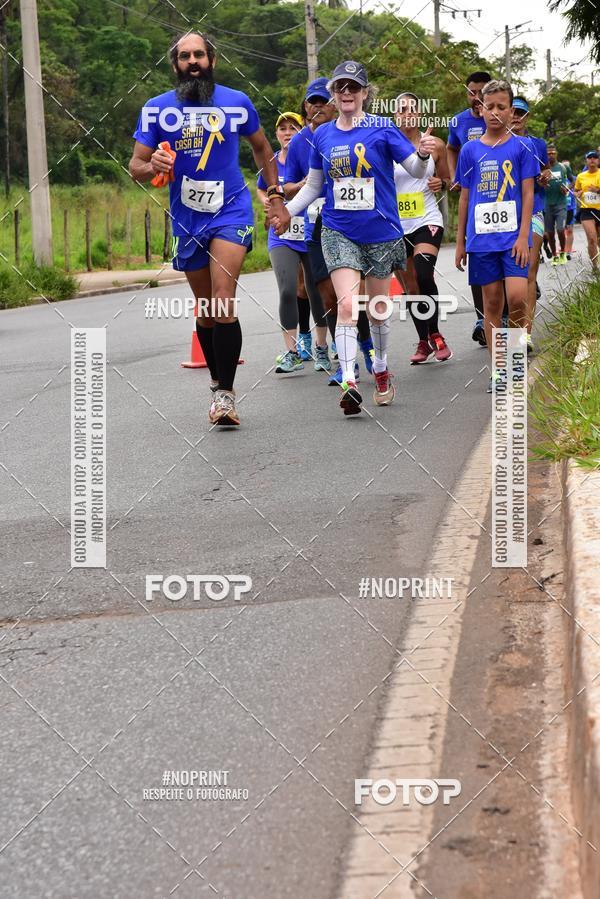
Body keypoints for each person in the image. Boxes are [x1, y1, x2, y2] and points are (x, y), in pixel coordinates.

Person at [129, 31, 284, 427]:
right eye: (185, 56)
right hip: (187, 217)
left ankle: (227, 397)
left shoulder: (237, 101)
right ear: (176, 64)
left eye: (199, 54)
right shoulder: (156, 109)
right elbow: (136, 167)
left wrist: (277, 197)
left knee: (222, 297)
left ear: (212, 60)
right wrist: (154, 168)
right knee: (207, 309)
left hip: (231, 209)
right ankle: (217, 383)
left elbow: (263, 148)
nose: (193, 61)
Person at [273, 60, 436, 415]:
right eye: (340, 88)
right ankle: (348, 379)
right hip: (338, 230)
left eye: (353, 87)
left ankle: (380, 369)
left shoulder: (382, 128)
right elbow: (315, 185)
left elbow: (416, 170)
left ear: (365, 93)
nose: (346, 93)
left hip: (381, 231)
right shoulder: (323, 135)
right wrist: (288, 210)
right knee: (347, 306)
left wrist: (423, 154)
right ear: (333, 95)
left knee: (378, 310)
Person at [284, 77, 375, 386]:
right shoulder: (300, 141)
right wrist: (286, 209)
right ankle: (346, 361)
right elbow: (291, 183)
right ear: (305, 106)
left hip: (353, 222)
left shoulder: (354, 131)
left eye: (324, 100)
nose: (318, 107)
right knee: (327, 297)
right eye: (313, 102)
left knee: (353, 297)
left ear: (335, 102)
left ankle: (369, 350)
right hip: (315, 224)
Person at [454, 80, 538, 392]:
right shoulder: (470, 150)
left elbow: (527, 194)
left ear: (511, 110)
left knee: (516, 299)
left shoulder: (521, 147)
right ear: (480, 109)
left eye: (502, 106)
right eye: (489, 106)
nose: (495, 112)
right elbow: (464, 197)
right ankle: (500, 369)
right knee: (492, 303)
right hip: (481, 240)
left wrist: (523, 236)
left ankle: (515, 359)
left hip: (513, 239)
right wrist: (460, 242)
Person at [256, 112, 330, 373]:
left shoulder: (314, 153)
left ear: (302, 131)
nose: (287, 133)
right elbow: (263, 189)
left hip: (311, 228)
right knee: (288, 289)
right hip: (282, 233)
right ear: (276, 134)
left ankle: (321, 348)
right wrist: (267, 201)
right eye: (282, 129)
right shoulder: (271, 162)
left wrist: (298, 187)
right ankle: (292, 351)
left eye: (293, 128)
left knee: (315, 289)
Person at [393, 92, 452, 364]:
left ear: (419, 114)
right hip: (396, 226)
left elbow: (449, 181)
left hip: (427, 218)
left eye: (411, 109)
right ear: (394, 115)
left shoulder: (435, 144)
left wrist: (441, 183)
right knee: (411, 287)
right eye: (401, 109)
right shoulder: (386, 145)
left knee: (424, 272)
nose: (407, 113)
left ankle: (436, 334)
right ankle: (423, 341)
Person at [447, 71, 492, 346]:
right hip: (473, 197)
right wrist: (455, 175)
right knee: (477, 257)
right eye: (471, 92)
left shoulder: (501, 119)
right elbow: (452, 148)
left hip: (502, 199)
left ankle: (509, 315)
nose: (476, 97)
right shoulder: (458, 121)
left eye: (481, 92)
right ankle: (481, 317)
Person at [510, 96, 549, 349]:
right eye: (511, 111)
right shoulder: (492, 144)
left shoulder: (537, 144)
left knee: (528, 273)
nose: (515, 117)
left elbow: (544, 170)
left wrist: (545, 176)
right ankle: (507, 328)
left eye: (521, 113)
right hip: (504, 218)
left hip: (533, 212)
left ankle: (525, 334)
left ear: (527, 117)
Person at [543, 145, 569, 265]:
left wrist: (568, 188)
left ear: (556, 154)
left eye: (553, 153)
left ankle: (563, 252)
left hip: (561, 203)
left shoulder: (563, 167)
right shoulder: (542, 168)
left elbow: (572, 180)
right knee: (550, 233)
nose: (551, 155)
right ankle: (554, 256)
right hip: (547, 204)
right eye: (548, 153)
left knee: (560, 229)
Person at [574, 150, 600, 269]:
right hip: (586, 210)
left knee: (598, 239)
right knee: (591, 238)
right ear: (586, 161)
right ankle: (595, 266)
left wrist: (597, 191)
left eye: (595, 158)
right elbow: (576, 191)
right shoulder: (581, 176)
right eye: (590, 158)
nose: (592, 160)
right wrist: (577, 194)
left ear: (598, 160)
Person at [562, 159, 577, 259]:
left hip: (571, 208)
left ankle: (568, 252)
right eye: (564, 166)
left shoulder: (574, 179)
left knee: (570, 230)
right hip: (560, 208)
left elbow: (579, 191)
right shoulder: (557, 178)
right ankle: (562, 250)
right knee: (561, 230)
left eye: (568, 166)